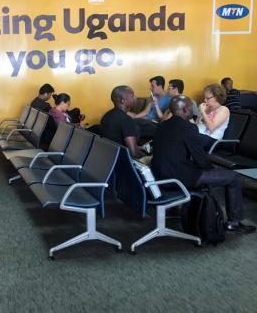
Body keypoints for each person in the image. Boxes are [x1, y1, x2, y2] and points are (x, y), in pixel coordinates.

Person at [151, 95, 255, 234]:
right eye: (190, 108)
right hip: (178, 178)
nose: (192, 111)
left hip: (158, 175)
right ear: (184, 110)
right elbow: (200, 158)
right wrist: (212, 172)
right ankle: (233, 223)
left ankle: (180, 209)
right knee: (233, 177)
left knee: (202, 174)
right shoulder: (188, 128)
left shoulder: (161, 125)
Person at [99, 85, 144, 159]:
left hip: (107, 158)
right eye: (132, 96)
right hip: (121, 161)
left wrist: (138, 148)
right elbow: (133, 153)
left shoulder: (106, 115)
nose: (135, 98)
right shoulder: (126, 120)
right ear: (123, 100)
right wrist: (147, 157)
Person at [196, 84, 230, 151]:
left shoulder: (223, 109)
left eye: (207, 98)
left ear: (216, 97)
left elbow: (211, 128)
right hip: (199, 136)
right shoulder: (205, 108)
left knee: (186, 137)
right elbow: (197, 125)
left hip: (212, 140)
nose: (205, 100)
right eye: (204, 98)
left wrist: (203, 112)